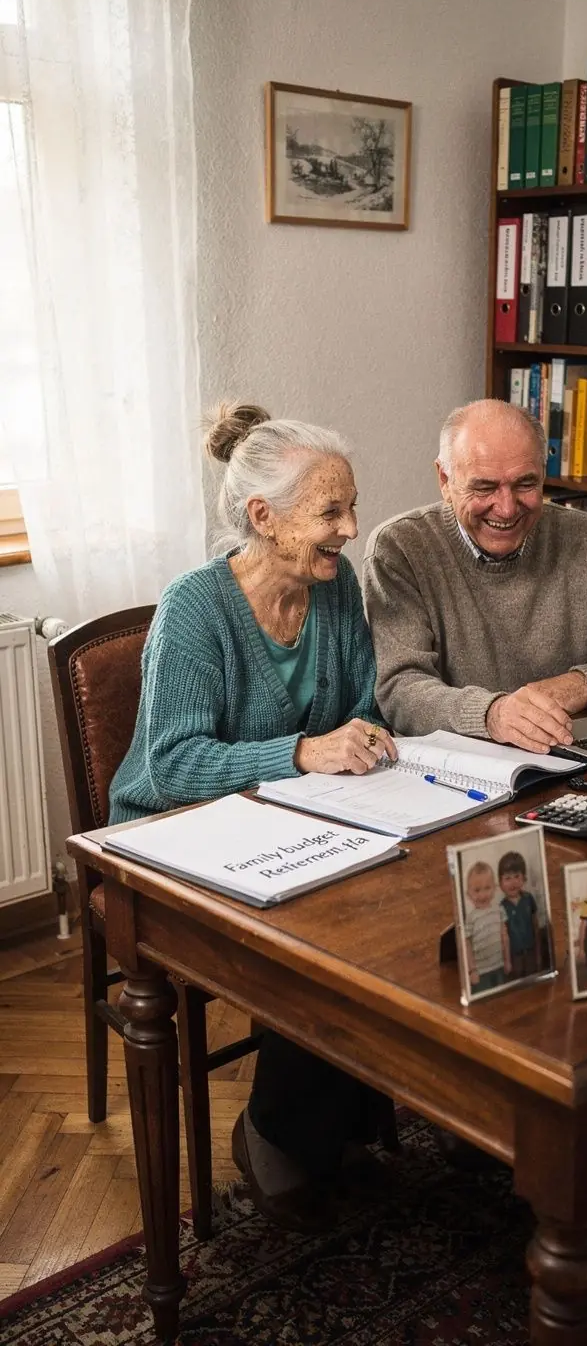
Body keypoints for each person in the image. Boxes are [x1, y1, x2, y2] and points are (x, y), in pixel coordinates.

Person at [108, 402, 398, 1232]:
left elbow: (363, 705)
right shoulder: (195, 608)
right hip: (171, 831)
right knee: (317, 937)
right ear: (263, 517)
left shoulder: (334, 591)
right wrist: (302, 753)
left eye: (351, 507)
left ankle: (338, 1120)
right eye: (331, 512)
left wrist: (363, 737)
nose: (350, 529)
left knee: (381, 906)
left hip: (288, 820)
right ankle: (275, 1132)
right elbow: (172, 765)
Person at [364, 399, 587, 750]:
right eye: (484, 487)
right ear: (445, 480)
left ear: (543, 474)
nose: (507, 508)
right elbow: (401, 689)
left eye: (525, 484)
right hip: (462, 759)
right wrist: (492, 715)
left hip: (565, 747)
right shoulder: (400, 547)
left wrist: (585, 683)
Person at [464, 860, 509, 993]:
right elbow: (466, 944)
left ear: (495, 888)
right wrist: (472, 970)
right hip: (481, 972)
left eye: (487, 888)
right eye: (477, 890)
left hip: (499, 966)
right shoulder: (471, 918)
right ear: (469, 894)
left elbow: (505, 937)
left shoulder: (499, 910)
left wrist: (507, 960)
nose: (483, 894)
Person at [497, 850, 542, 979]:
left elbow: (536, 926)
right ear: (500, 883)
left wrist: (538, 953)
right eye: (507, 878)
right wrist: (507, 961)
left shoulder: (528, 899)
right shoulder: (502, 907)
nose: (513, 882)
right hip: (514, 956)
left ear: (524, 878)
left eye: (517, 876)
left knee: (534, 978)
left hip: (531, 951)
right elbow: (504, 936)